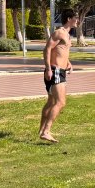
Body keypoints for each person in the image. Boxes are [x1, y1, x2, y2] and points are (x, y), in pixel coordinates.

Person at [38, 10, 79, 143]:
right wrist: (49, 68)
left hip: (60, 70)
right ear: (69, 19)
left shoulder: (67, 34)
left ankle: (41, 130)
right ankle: (46, 131)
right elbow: (47, 49)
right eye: (75, 18)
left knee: (51, 102)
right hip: (55, 71)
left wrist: (68, 63)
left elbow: (61, 52)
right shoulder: (59, 32)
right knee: (60, 102)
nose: (77, 21)